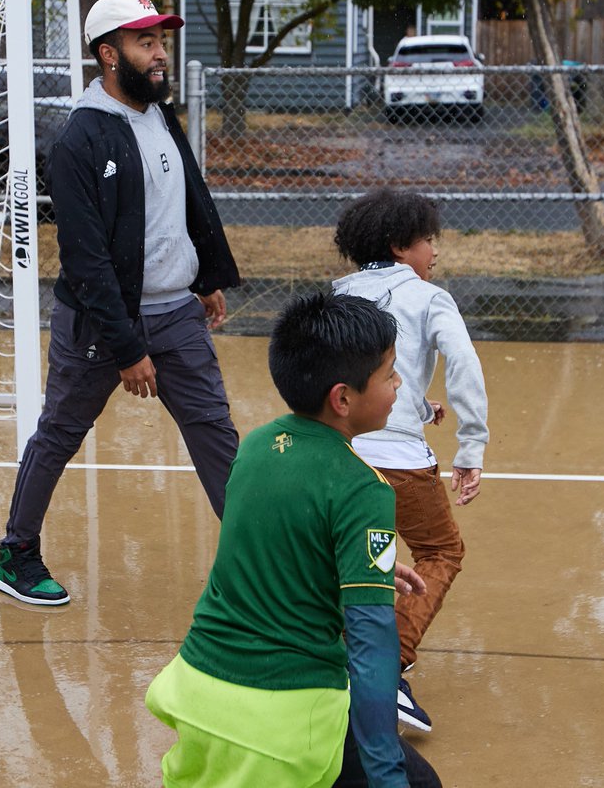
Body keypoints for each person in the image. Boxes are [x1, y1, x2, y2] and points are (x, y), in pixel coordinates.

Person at [0, 0, 241, 606]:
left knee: (215, 434)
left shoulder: (160, 113)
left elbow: (185, 202)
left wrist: (206, 275)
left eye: (161, 41)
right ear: (109, 54)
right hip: (102, 323)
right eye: (146, 42)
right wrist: (127, 347)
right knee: (59, 433)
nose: (161, 54)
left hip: (176, 311)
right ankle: (16, 553)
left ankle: (255, 562)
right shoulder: (80, 138)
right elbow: (86, 257)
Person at [145, 291, 415, 788]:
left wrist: (352, 563)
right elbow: (372, 646)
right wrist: (386, 774)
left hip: (198, 688)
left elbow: (274, 541)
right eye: (390, 373)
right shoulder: (365, 488)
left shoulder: (257, 445)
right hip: (285, 720)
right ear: (343, 398)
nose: (399, 384)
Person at [333, 188, 488, 733]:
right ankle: (386, 671)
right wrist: (471, 446)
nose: (435, 252)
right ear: (401, 246)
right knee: (441, 550)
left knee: (368, 560)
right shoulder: (429, 297)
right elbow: (464, 365)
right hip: (399, 461)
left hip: (338, 454)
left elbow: (358, 374)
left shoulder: (338, 295)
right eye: (428, 240)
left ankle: (336, 665)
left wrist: (419, 404)